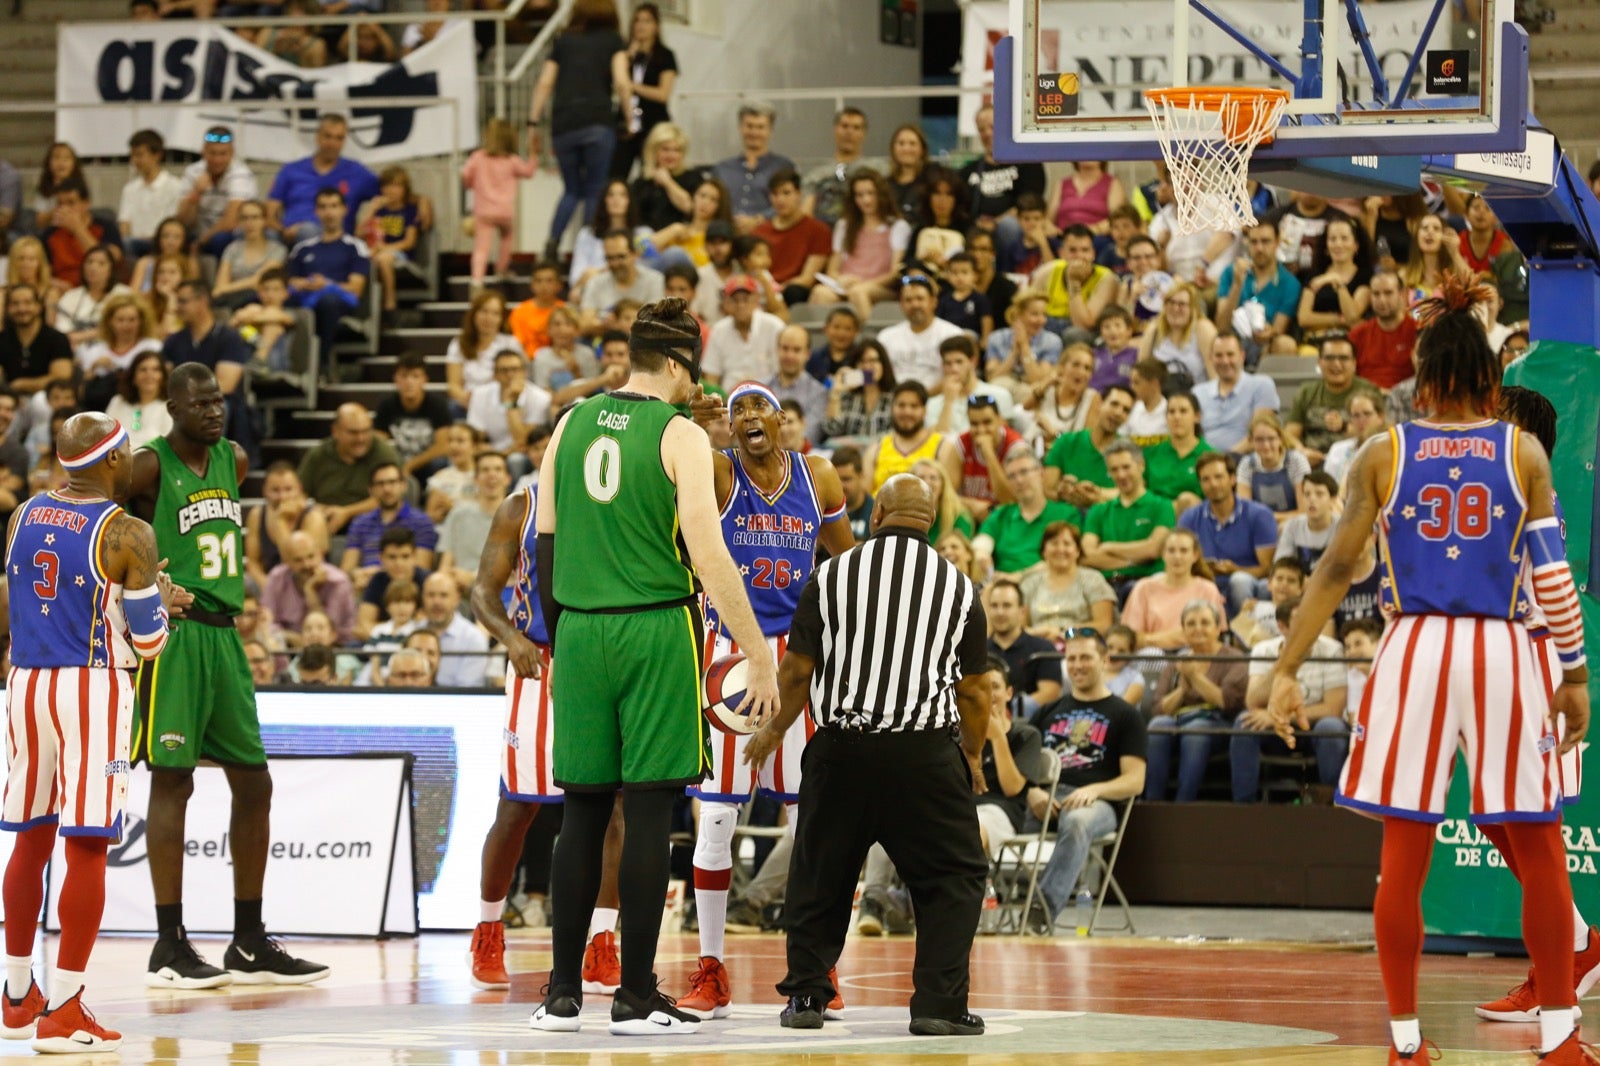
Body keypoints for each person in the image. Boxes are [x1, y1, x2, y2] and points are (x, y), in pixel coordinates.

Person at [1267, 273, 1592, 1063]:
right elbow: (1551, 574)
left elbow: (1335, 571)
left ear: (1422, 377)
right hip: (1502, 650)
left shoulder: (1384, 451)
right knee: (1541, 844)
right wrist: (1575, 673)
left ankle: (1406, 1042)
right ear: (1487, 376)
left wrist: (1286, 667)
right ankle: (1559, 1037)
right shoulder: (1524, 450)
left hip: (1413, 648)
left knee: (1403, 854)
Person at [527, 298, 779, 1035]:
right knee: (645, 812)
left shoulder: (569, 423)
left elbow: (543, 539)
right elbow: (708, 550)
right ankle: (636, 994)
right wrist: (756, 651)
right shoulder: (680, 435)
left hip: (577, 630)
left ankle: (562, 994)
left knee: (579, 812)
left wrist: (557, 634)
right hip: (653, 628)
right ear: (676, 366)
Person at [746, 474, 990, 1035]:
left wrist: (770, 734)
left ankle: (807, 997)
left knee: (818, 873)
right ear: (931, 523)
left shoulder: (829, 575)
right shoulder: (958, 586)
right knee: (954, 876)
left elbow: (798, 672)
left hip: (842, 751)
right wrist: (972, 758)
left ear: (875, 514)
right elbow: (975, 691)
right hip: (925, 756)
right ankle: (938, 1004)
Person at [124, 364, 329, 988]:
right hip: (173, 636)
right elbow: (105, 528)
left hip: (226, 637)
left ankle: (247, 940)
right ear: (171, 407)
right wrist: (136, 590)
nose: (215, 411)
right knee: (173, 782)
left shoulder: (235, 460)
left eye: (219, 400)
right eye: (201, 403)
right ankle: (168, 943)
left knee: (255, 782)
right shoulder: (147, 466)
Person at [0, 412, 190, 1052]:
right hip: (91, 686)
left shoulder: (23, 513)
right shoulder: (127, 532)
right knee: (86, 845)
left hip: (24, 682)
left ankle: (18, 990)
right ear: (112, 462)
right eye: (131, 452)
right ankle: (64, 1008)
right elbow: (150, 640)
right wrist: (160, 596)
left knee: (30, 837)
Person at [677, 382, 854, 1020]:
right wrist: (686, 423)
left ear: (782, 420)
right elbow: (683, 463)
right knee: (717, 820)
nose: (748, 417)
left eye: (760, 408)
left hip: (800, 662)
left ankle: (817, 965)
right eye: (737, 410)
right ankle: (712, 967)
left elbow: (848, 564)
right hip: (729, 657)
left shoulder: (819, 476)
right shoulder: (720, 474)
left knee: (811, 826)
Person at [464, 469, 628, 996]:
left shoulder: (618, 501)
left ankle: (601, 944)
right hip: (537, 661)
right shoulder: (520, 507)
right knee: (517, 809)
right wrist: (510, 637)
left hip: (600, 656)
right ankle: (489, 927)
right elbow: (483, 593)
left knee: (614, 807)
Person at [1027, 630, 1147, 932]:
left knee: (1078, 820)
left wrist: (1094, 789)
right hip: (1044, 800)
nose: (1077, 665)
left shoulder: (1126, 715)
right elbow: (1022, 768)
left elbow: (1135, 781)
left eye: (1085, 657)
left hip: (1098, 803)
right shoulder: (1046, 712)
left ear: (1104, 660)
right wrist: (1032, 792)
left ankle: (1040, 911)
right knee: (982, 822)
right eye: (1071, 658)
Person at [529, 0, 629, 256]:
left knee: (572, 189)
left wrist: (532, 122)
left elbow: (544, 83)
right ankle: (588, 248)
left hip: (564, 124)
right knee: (596, 188)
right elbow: (621, 83)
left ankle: (552, 243)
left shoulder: (564, 41)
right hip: (597, 120)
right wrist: (629, 117)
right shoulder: (613, 40)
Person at [1233, 597, 1348, 802]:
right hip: (1275, 731)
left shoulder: (1332, 649)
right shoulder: (1263, 650)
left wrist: (1278, 716)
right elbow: (1253, 700)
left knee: (1332, 726)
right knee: (1245, 722)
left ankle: (1334, 804)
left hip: (1312, 729)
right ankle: (1244, 806)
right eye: (1299, 622)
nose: (1308, 627)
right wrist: (1283, 663)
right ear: (1282, 626)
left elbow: (1333, 709)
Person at [1143, 600, 1249, 802]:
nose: (1197, 628)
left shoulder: (1234, 658)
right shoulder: (1177, 663)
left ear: (1218, 628)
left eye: (1205, 623)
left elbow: (1227, 702)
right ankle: (1152, 802)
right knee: (1158, 725)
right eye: (1191, 624)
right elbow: (1157, 709)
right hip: (1178, 721)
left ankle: (1183, 803)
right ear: (1183, 630)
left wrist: (1195, 678)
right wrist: (1183, 689)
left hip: (1218, 723)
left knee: (1197, 729)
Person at [1179, 452, 1280, 611]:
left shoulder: (1259, 515)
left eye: (1218, 477)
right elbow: (1179, 560)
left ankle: (1244, 632)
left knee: (1239, 581)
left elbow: (1267, 569)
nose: (1213, 484)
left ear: (1232, 479)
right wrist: (1203, 569)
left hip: (1248, 582)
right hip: (1205, 581)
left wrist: (1235, 569)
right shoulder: (1190, 517)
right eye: (1206, 479)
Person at [970, 658, 1043, 872]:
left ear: (1009, 693)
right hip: (964, 807)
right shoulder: (963, 734)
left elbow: (1012, 789)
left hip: (1001, 811)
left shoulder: (1026, 735)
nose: (989, 694)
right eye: (982, 688)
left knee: (967, 833)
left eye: (995, 687)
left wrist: (998, 738)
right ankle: (878, 895)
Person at [808, 169, 910, 321]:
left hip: (878, 287)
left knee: (859, 293)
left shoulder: (897, 226)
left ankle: (868, 339)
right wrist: (841, 280)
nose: (866, 200)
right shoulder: (845, 226)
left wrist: (862, 283)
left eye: (871, 193)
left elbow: (894, 272)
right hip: (846, 285)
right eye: (860, 195)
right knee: (820, 293)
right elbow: (833, 269)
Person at [285, 188, 370, 369]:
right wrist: (302, 283)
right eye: (323, 207)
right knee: (268, 299)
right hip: (305, 297)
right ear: (316, 211)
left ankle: (320, 366)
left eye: (334, 206)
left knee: (327, 302)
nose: (329, 212)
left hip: (339, 301)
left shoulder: (355, 246)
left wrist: (327, 284)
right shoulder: (302, 248)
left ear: (344, 210)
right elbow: (288, 281)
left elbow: (356, 288)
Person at [1081, 441, 1176, 598]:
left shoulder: (1162, 506)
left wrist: (1108, 547)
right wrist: (1134, 561)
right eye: (1114, 469)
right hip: (1103, 586)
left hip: (1144, 585)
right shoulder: (1098, 510)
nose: (1121, 475)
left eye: (1126, 467)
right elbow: (1087, 555)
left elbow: (1153, 549)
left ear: (1141, 466)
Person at [266, 114, 379, 246]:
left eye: (339, 138)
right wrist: (284, 230)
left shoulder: (357, 172)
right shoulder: (291, 170)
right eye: (328, 136)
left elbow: (393, 194)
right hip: (287, 236)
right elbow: (270, 212)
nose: (333, 143)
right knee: (248, 233)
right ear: (318, 136)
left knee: (308, 231)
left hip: (334, 239)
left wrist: (368, 219)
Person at [960, 105, 1046, 272]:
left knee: (1009, 226)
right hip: (977, 228)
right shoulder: (968, 171)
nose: (987, 133)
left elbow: (1030, 205)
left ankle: (1007, 274)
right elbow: (961, 208)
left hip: (1012, 226)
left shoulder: (1028, 164)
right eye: (982, 129)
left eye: (992, 126)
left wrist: (995, 222)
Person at [296, 404, 402, 533]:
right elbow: (298, 494)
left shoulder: (383, 453)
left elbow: (392, 495)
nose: (361, 439)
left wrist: (346, 513)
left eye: (366, 431)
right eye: (353, 432)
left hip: (374, 523)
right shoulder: (318, 455)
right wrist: (317, 510)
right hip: (325, 521)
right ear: (335, 431)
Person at [972, 450, 1076, 578]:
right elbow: (981, 544)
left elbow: (1065, 558)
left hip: (1048, 582)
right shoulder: (1001, 515)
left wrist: (1017, 577)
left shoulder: (1066, 514)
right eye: (1012, 476)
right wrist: (981, 555)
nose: (1019, 480)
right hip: (1002, 587)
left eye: (1024, 472)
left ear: (1041, 473)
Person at [461, 118, 539, 288]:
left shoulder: (478, 157)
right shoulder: (512, 160)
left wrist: (471, 184)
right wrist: (533, 155)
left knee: (481, 247)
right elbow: (529, 172)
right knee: (507, 237)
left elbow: (465, 175)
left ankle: (476, 280)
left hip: (483, 210)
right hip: (505, 211)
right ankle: (501, 268)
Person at [1121, 529, 1227, 650]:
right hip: (1153, 654)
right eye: (1171, 550)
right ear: (1163, 554)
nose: (1177, 557)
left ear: (1195, 555)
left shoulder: (1208, 589)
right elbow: (1130, 638)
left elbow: (1216, 634)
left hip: (1193, 652)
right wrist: (1170, 637)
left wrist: (1149, 638)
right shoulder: (1143, 588)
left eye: (1184, 551)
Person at [1213, 219, 1300, 361]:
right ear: (1247, 243)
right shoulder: (1231, 273)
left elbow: (1279, 328)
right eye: (1254, 242)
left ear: (1277, 242)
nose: (1259, 248)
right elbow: (1222, 326)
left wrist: (1270, 332)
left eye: (1265, 241)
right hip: (1232, 342)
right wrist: (1237, 285)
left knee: (1285, 344)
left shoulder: (1290, 283)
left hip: (1265, 346)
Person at [1043, 383, 1135, 516]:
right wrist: (1063, 489)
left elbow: (1133, 493)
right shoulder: (1066, 442)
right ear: (1100, 404)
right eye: (1114, 404)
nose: (1118, 412)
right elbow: (1047, 488)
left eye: (1126, 410)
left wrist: (1097, 494)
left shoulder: (1128, 452)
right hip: (1064, 520)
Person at [610, 2, 678, 181]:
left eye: (647, 21)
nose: (641, 25)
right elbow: (618, 84)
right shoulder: (624, 55)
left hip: (653, 121)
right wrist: (629, 55)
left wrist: (634, 87)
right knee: (616, 174)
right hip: (627, 122)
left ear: (656, 26)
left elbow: (663, 94)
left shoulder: (665, 56)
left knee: (651, 173)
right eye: (637, 21)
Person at [341, 462, 439, 583]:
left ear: (403, 485)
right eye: (380, 484)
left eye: (392, 482)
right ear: (371, 490)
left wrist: (380, 574)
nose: (387, 489)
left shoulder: (422, 522)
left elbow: (422, 570)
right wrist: (356, 574)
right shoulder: (360, 523)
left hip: (405, 588)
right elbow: (346, 570)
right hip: (365, 585)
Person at [1019, 521, 1115, 641]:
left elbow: (1104, 626)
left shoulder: (1093, 580)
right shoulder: (1030, 583)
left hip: (1081, 646)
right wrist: (1039, 635)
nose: (1061, 549)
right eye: (1054, 543)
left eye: (1067, 544)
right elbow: (1020, 628)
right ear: (1044, 551)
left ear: (1078, 551)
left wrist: (1063, 633)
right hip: (1038, 646)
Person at [863, 381, 961, 493]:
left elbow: (949, 496)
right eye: (901, 405)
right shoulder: (875, 449)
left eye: (914, 406)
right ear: (892, 408)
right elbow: (866, 496)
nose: (907, 412)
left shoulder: (943, 448)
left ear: (924, 410)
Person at [263, 530, 356, 644]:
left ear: (320, 555)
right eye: (298, 560)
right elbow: (266, 623)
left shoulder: (338, 582)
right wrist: (290, 637)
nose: (307, 564)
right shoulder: (276, 578)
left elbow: (327, 633)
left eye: (311, 557)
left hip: (335, 649)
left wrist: (310, 591)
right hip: (287, 646)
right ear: (287, 562)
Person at [713, 102, 795, 231]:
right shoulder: (722, 169)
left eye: (760, 127)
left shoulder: (783, 166)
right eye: (749, 126)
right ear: (740, 128)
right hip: (727, 236)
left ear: (770, 131)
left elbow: (791, 204)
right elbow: (713, 203)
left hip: (770, 234)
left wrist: (758, 220)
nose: (754, 132)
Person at [754, 170, 832, 304]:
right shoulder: (759, 232)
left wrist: (778, 290)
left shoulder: (818, 230)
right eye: (775, 194)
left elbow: (807, 278)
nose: (780, 200)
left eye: (786, 193)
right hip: (763, 290)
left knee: (794, 291)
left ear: (798, 194)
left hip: (795, 293)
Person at [1193, 330, 1279, 453]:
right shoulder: (1197, 392)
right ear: (1210, 358)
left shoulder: (1261, 385)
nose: (1225, 361)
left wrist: (1224, 459)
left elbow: (1260, 434)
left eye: (1230, 354)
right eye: (1219, 355)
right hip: (1203, 463)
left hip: (1247, 461)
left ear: (1242, 356)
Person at [802, 108, 883, 227]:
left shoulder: (878, 170)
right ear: (835, 130)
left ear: (863, 133)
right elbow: (806, 213)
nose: (849, 132)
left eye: (856, 127)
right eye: (844, 126)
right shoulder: (816, 175)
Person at [579, 230, 665, 336]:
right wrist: (605, 324)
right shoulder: (595, 283)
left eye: (621, 257)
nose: (615, 263)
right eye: (610, 258)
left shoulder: (654, 280)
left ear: (635, 254)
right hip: (604, 344)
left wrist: (619, 324)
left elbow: (656, 324)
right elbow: (584, 325)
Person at [1348, 271, 1418, 391]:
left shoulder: (1419, 331)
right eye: (1376, 294)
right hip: (1365, 401)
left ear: (1402, 294)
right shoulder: (1358, 334)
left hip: (1406, 401)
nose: (1382, 300)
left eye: (1388, 293)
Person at [118, 129, 183, 258]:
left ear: (157, 155)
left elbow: (171, 224)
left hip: (160, 244)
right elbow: (124, 224)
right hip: (133, 245)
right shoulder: (130, 188)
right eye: (133, 155)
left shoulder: (175, 186)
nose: (135, 160)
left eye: (140, 155)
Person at [211, 201, 286, 311]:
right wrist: (222, 289)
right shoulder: (232, 249)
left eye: (255, 217)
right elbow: (220, 284)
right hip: (233, 299)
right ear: (239, 222)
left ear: (264, 220)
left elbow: (260, 280)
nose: (249, 223)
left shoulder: (277, 250)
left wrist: (225, 289)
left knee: (251, 295)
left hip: (262, 299)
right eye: (244, 218)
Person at [1238, 411, 1310, 519]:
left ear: (1280, 439)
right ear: (1251, 441)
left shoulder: (1296, 461)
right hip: (1260, 527)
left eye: (1271, 439)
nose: (1266, 446)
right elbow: (1244, 512)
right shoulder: (1247, 464)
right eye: (1259, 440)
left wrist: (1268, 518)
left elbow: (1304, 513)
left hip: (1293, 526)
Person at [106, 349, 173, 449]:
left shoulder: (170, 408)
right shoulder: (118, 402)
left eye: (155, 370)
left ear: (163, 376)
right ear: (133, 376)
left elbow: (170, 448)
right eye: (143, 370)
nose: (149, 375)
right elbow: (106, 438)